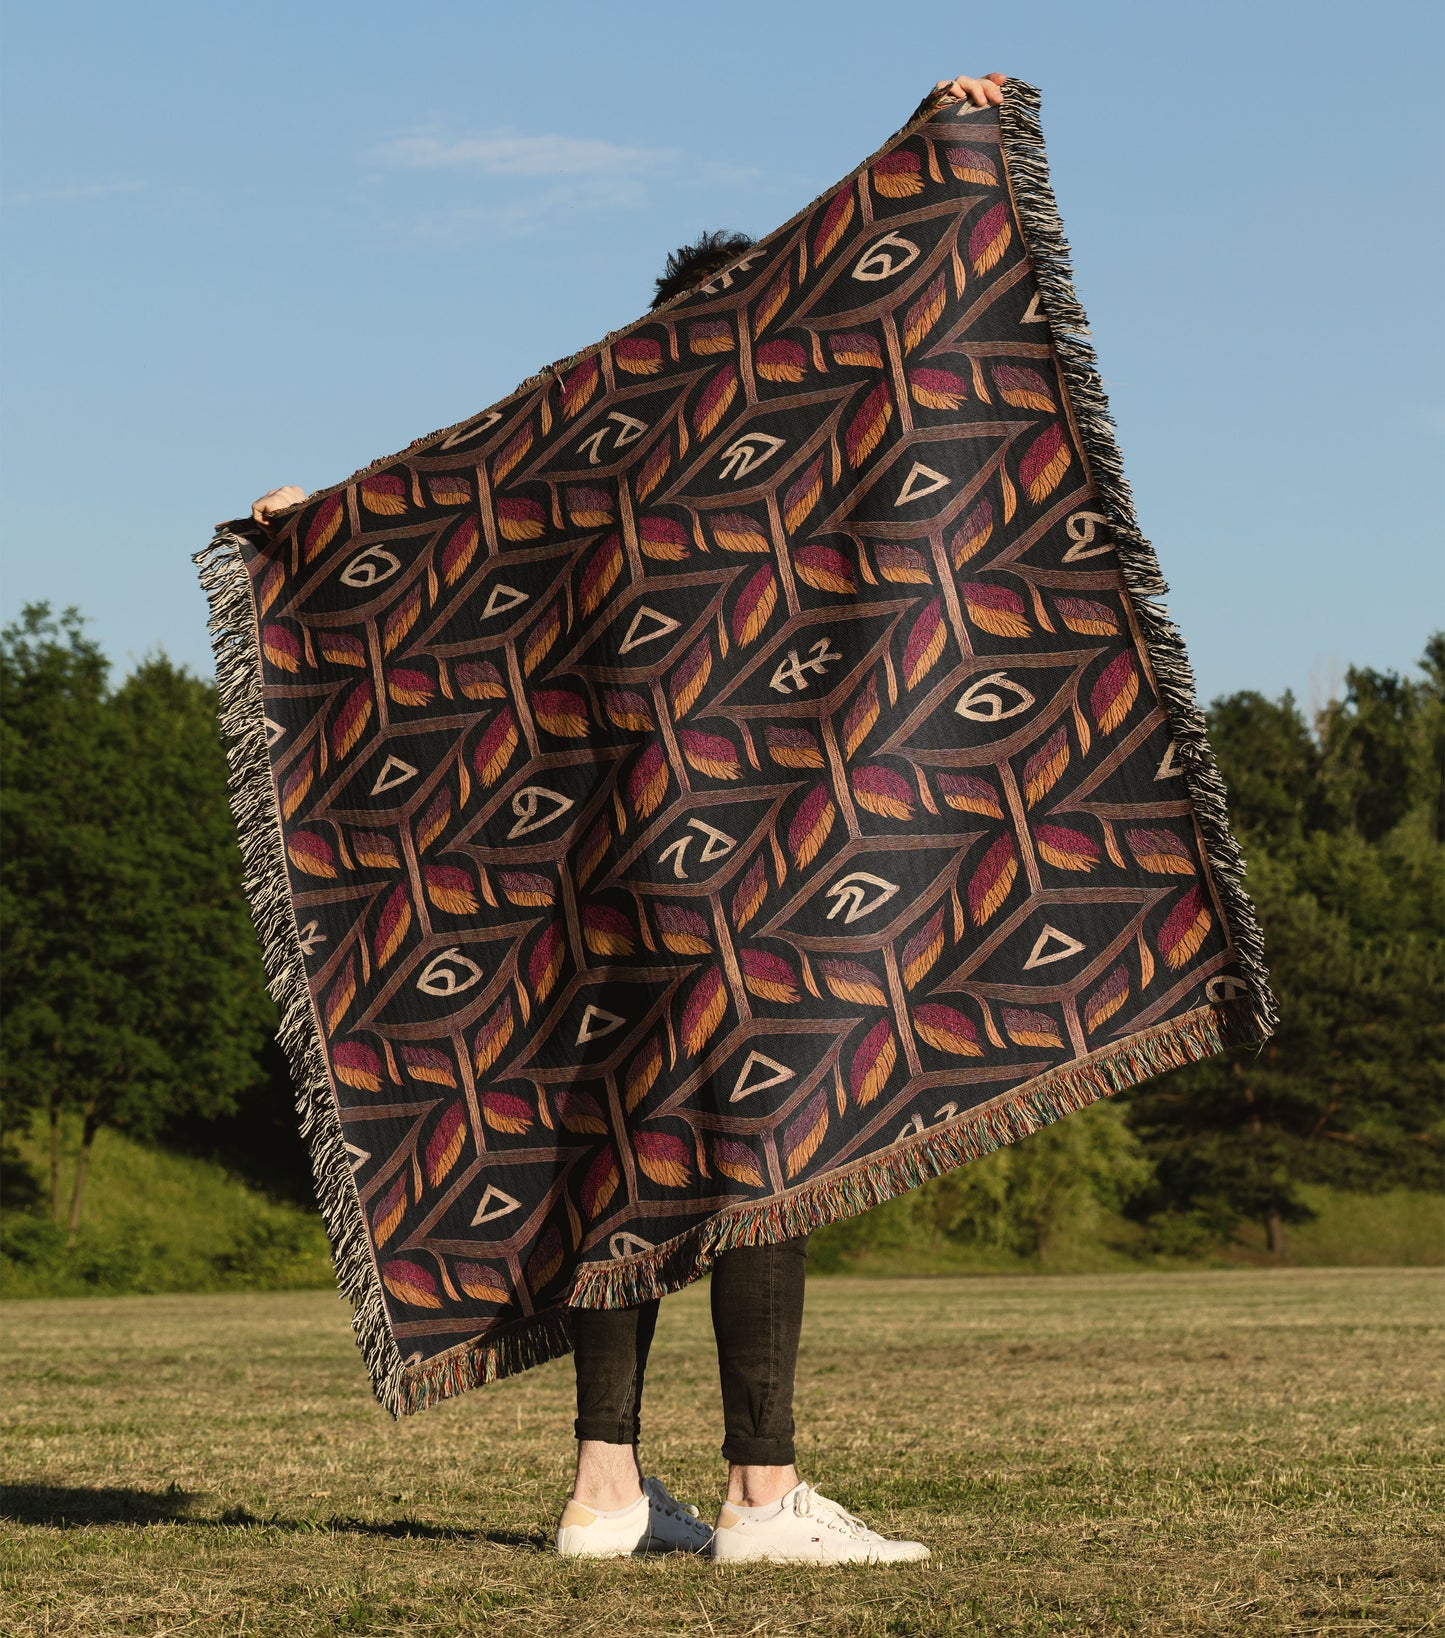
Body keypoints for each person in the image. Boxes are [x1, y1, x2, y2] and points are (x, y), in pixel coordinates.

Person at [251, 70, 1006, 1563]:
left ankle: (603, 1493)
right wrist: (948, 150)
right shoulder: (804, 449)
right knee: (762, 1148)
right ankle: (761, 1498)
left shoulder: (586, 454)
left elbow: (450, 511)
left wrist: (314, 530)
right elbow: (926, 344)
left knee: (622, 1147)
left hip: (603, 881)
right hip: (754, 857)